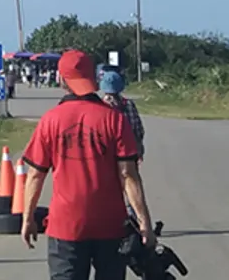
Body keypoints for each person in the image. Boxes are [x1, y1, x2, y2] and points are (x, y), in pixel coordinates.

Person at [18, 50, 155, 280]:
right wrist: (144, 223)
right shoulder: (115, 119)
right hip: (110, 227)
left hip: (65, 227)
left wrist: (27, 218)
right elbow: (129, 176)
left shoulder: (50, 120)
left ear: (61, 80)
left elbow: (35, 175)